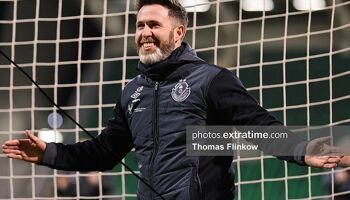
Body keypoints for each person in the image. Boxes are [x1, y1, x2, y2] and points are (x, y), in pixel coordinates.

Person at [1, 0, 347, 199]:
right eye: (139, 26)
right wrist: (49, 153)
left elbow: (259, 128)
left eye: (153, 24)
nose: (144, 32)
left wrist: (302, 150)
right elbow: (105, 152)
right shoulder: (131, 91)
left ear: (178, 32)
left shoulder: (212, 79)